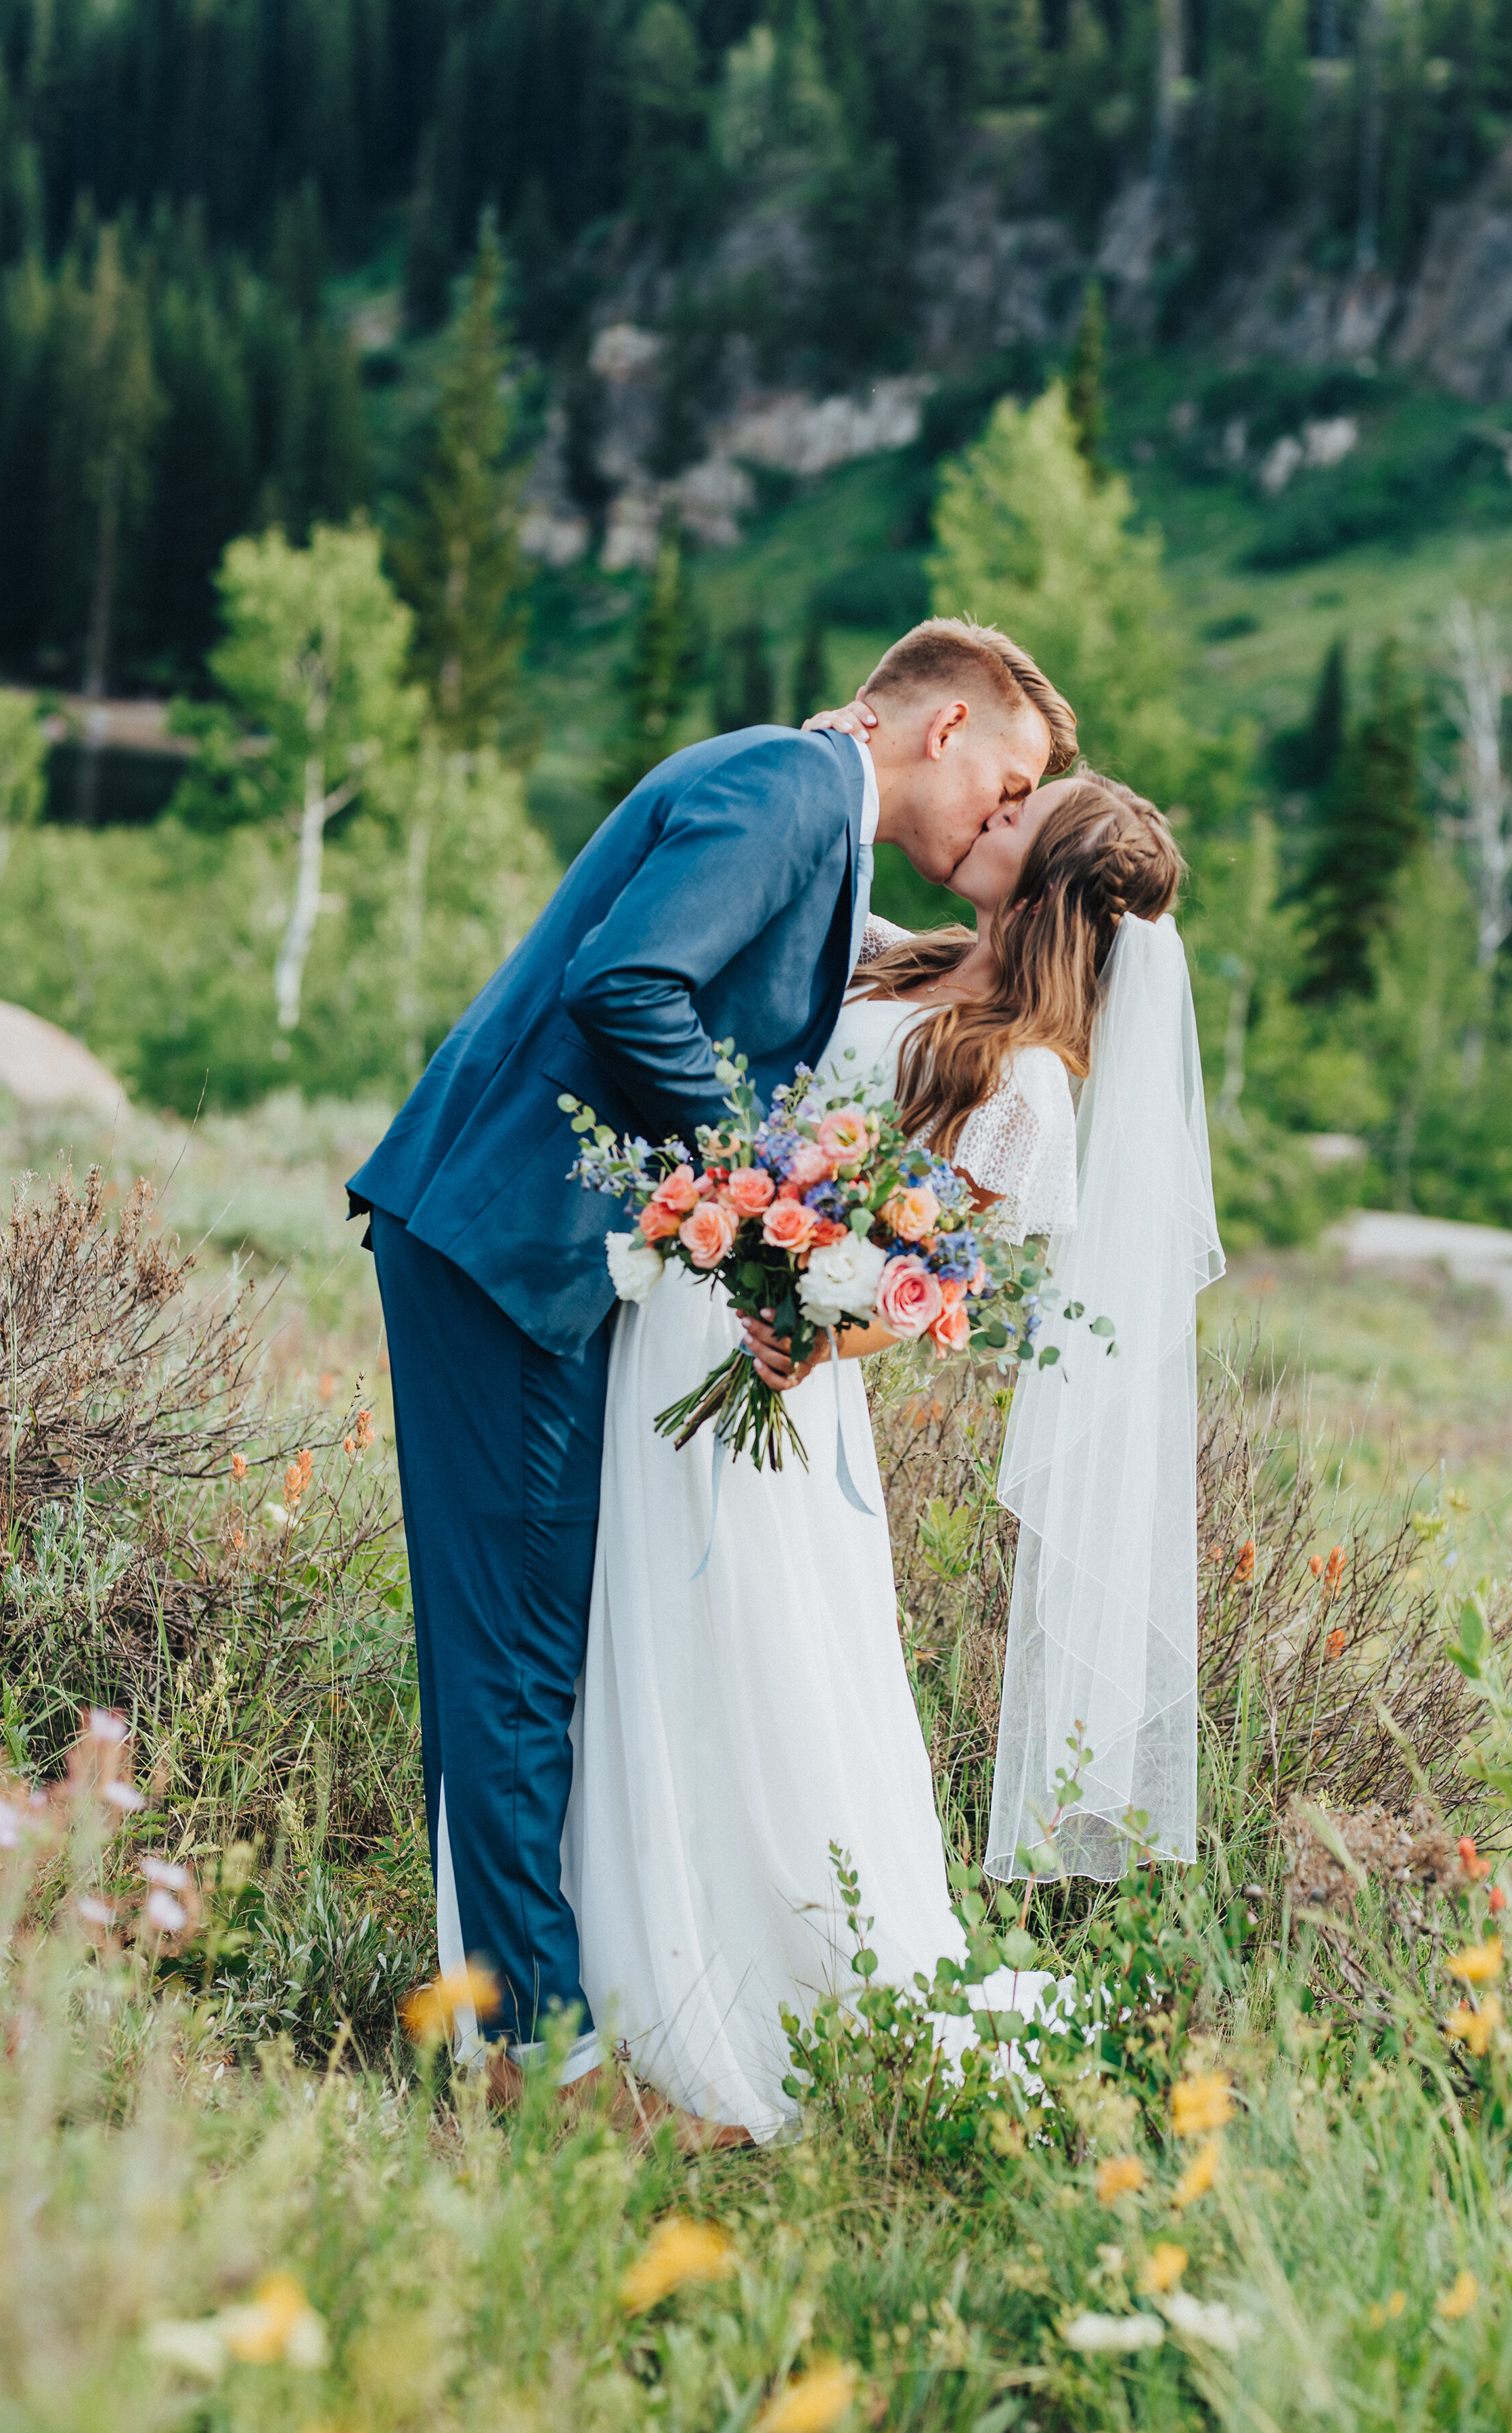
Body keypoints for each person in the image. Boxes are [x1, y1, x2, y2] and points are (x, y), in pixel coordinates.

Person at [347, 619, 1075, 2115]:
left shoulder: (802, 801)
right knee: (513, 1666)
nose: (996, 824)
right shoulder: (799, 793)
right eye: (1003, 786)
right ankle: (536, 2062)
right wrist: (776, 1206)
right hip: (505, 1248)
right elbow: (630, 985)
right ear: (943, 730)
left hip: (531, 1254)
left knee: (532, 1660)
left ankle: (530, 2023)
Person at [564, 748, 1225, 2142]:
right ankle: (603, 1939)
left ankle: (743, 1983)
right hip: (680, 1322)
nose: (989, 813)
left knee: (742, 1665)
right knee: (641, 1639)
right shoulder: (904, 954)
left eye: (1017, 817)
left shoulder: (1031, 1081)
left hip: (771, 1380)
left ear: (1044, 886)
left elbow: (939, 1290)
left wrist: (811, 1320)